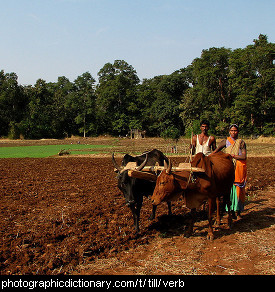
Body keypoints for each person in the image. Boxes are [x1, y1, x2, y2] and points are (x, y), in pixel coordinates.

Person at [212, 124, 247, 219]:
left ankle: (238, 211)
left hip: (238, 167)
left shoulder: (241, 143)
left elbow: (244, 156)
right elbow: (216, 151)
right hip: (228, 168)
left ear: (238, 132)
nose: (233, 132)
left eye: (235, 130)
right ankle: (229, 210)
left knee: (238, 189)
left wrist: (232, 156)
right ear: (229, 132)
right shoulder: (226, 142)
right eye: (232, 130)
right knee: (229, 189)